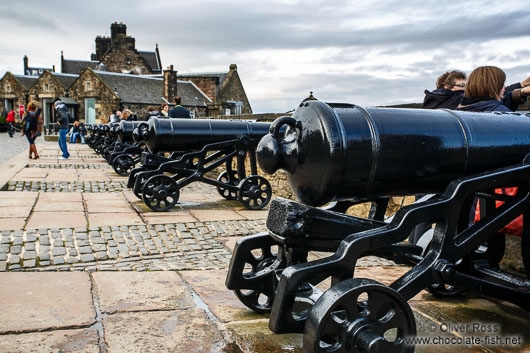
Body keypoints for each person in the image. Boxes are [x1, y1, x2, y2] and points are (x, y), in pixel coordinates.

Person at [457, 66, 530, 112]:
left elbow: (488, 105)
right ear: (493, 88)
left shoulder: (462, 109)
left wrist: (521, 92)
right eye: (501, 84)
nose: (504, 87)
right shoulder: (502, 113)